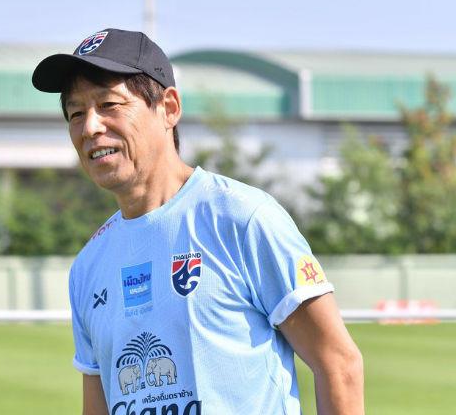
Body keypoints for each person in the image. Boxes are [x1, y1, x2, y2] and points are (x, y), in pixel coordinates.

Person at [32, 28, 364, 415]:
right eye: (76, 113)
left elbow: (339, 365)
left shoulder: (241, 218)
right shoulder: (89, 266)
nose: (90, 127)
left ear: (169, 108)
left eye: (109, 104)